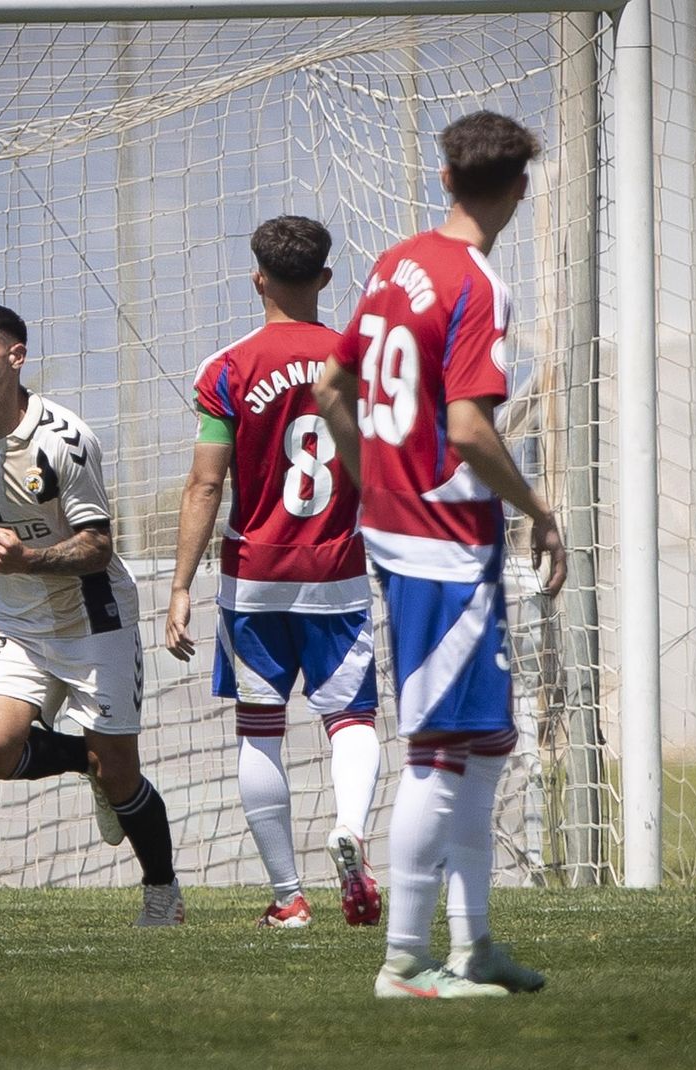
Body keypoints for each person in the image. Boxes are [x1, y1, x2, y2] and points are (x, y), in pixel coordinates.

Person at [316, 112, 565, 997]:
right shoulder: (480, 284)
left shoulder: (395, 262)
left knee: (487, 743)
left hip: (409, 533)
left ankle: (474, 944)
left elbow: (330, 385)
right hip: (443, 547)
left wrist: (369, 478)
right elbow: (467, 429)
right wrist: (540, 508)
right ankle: (405, 961)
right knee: (438, 753)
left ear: (446, 179)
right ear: (519, 190)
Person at [0, 302, 184, 927]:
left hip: (95, 617)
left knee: (122, 774)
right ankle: (86, 763)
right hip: (19, 624)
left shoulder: (65, 440)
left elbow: (98, 547)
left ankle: (163, 893)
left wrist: (28, 559)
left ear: (16, 356)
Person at [166, 216, 382, 929]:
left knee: (261, 729)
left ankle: (289, 899)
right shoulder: (361, 362)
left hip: (254, 578)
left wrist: (179, 588)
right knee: (350, 718)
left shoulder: (227, 368)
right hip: (338, 571)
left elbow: (205, 484)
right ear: (324, 279)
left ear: (257, 277)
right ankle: (350, 828)